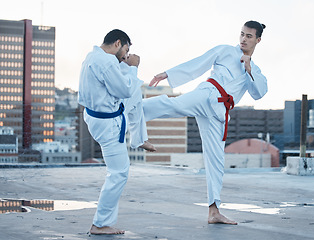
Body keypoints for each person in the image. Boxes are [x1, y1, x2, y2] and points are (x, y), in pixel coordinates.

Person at [143, 20, 268, 225]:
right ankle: (133, 110)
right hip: (207, 95)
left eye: (249, 36)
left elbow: (259, 93)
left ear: (258, 40)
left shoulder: (255, 70)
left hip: (219, 113)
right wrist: (168, 73)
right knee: (174, 106)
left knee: (216, 161)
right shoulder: (226, 51)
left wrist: (249, 68)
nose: (244, 39)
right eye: (242, 34)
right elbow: (199, 63)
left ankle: (214, 211)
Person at [78, 29, 156, 235]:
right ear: (118, 43)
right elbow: (123, 90)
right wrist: (133, 68)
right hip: (107, 124)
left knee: (136, 95)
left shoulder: (93, 56)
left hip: (95, 114)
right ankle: (100, 224)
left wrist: (124, 64)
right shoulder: (106, 62)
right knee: (119, 173)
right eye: (125, 50)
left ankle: (139, 139)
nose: (125, 55)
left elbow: (121, 88)